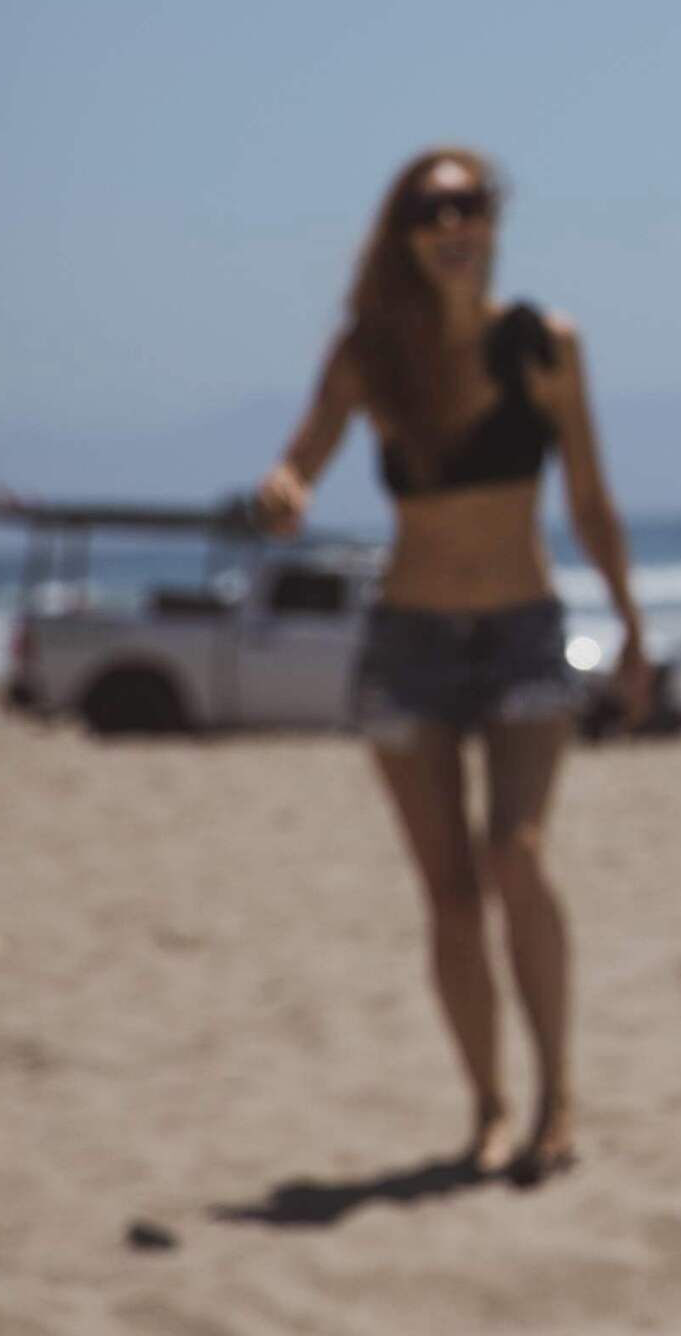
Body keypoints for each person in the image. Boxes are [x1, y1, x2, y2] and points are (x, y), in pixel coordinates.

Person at [257, 146, 651, 1182]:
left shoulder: (543, 346)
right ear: (404, 231)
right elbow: (301, 456)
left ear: (492, 222)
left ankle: (557, 1092)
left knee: (515, 855)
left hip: (524, 628)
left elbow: (592, 502)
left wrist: (633, 628)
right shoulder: (369, 356)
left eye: (469, 204)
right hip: (410, 643)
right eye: (431, 209)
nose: (452, 223)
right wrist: (286, 490)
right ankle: (486, 1104)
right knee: (447, 898)